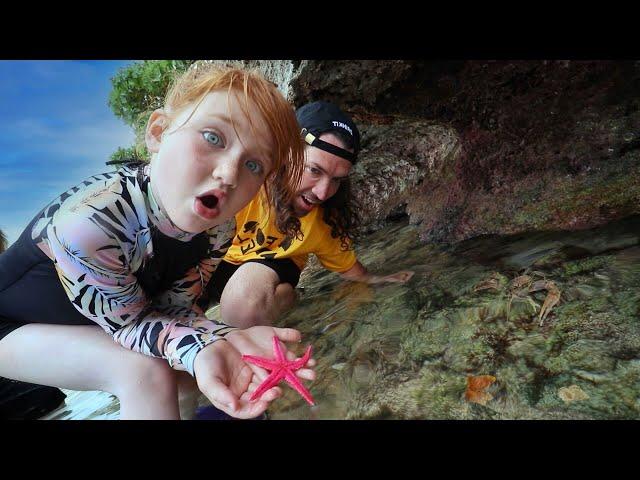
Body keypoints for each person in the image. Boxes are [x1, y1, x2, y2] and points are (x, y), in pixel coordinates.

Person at [0, 63, 316, 420]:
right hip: (8, 326)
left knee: (188, 375)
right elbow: (132, 326)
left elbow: (173, 310)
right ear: (158, 132)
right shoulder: (86, 224)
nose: (229, 174)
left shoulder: (219, 228)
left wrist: (225, 336)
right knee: (142, 372)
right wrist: (207, 342)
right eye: (213, 137)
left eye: (254, 165)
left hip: (101, 316)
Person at [207, 101, 415, 329]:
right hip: (215, 262)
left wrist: (376, 279)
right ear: (286, 154)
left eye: (336, 179)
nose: (323, 192)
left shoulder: (323, 221)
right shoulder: (245, 177)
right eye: (314, 170)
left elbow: (349, 268)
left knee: (242, 308)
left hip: (271, 266)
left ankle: (287, 299)